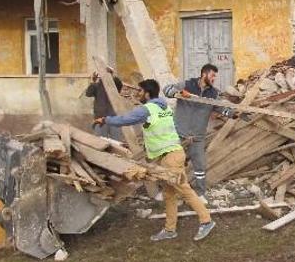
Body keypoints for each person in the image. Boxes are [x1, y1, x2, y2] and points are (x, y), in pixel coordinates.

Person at [95, 79, 215, 242]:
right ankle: (170, 229)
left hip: (170, 156)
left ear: (147, 93)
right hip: (170, 154)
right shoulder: (163, 106)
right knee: (169, 194)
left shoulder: (147, 109)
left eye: (140, 90)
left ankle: (206, 221)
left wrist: (105, 120)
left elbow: (125, 120)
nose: (137, 93)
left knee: (184, 190)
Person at [163, 64, 236, 199]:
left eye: (215, 76)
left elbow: (220, 108)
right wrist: (177, 93)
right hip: (179, 133)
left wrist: (232, 113)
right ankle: (168, 192)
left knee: (200, 166)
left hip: (198, 136)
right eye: (212, 75)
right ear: (204, 74)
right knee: (171, 163)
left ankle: (200, 193)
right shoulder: (187, 85)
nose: (214, 78)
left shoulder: (213, 93)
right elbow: (166, 89)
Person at [85, 67, 124, 141]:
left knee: (117, 141)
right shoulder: (97, 85)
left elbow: (119, 85)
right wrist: (93, 81)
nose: (105, 75)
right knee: (101, 141)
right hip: (100, 118)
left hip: (114, 117)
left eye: (108, 74)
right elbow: (88, 94)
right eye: (104, 73)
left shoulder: (114, 85)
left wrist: (112, 75)